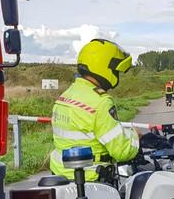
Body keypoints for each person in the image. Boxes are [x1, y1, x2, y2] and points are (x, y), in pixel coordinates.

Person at [50, 39, 140, 181]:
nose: (117, 75)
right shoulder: (101, 102)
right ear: (105, 68)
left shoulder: (65, 96)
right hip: (91, 178)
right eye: (116, 71)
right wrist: (135, 137)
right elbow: (122, 151)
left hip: (60, 174)